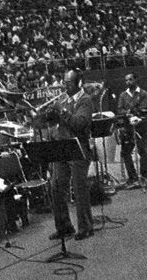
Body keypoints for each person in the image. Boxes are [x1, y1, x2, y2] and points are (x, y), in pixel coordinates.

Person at [48, 68, 94, 241]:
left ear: (78, 83)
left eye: (68, 84)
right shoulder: (63, 99)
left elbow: (80, 124)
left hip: (79, 148)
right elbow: (56, 123)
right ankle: (64, 226)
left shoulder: (85, 100)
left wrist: (63, 111)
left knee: (79, 188)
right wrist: (50, 115)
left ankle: (86, 227)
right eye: (64, 83)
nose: (65, 87)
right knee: (56, 186)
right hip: (62, 148)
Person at [117, 72, 147, 187]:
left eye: (130, 79)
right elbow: (120, 110)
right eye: (126, 80)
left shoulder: (143, 93)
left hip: (141, 126)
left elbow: (144, 108)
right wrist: (128, 114)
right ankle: (132, 177)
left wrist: (136, 115)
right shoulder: (123, 95)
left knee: (143, 151)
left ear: (135, 80)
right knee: (125, 153)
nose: (128, 82)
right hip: (128, 127)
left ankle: (144, 176)